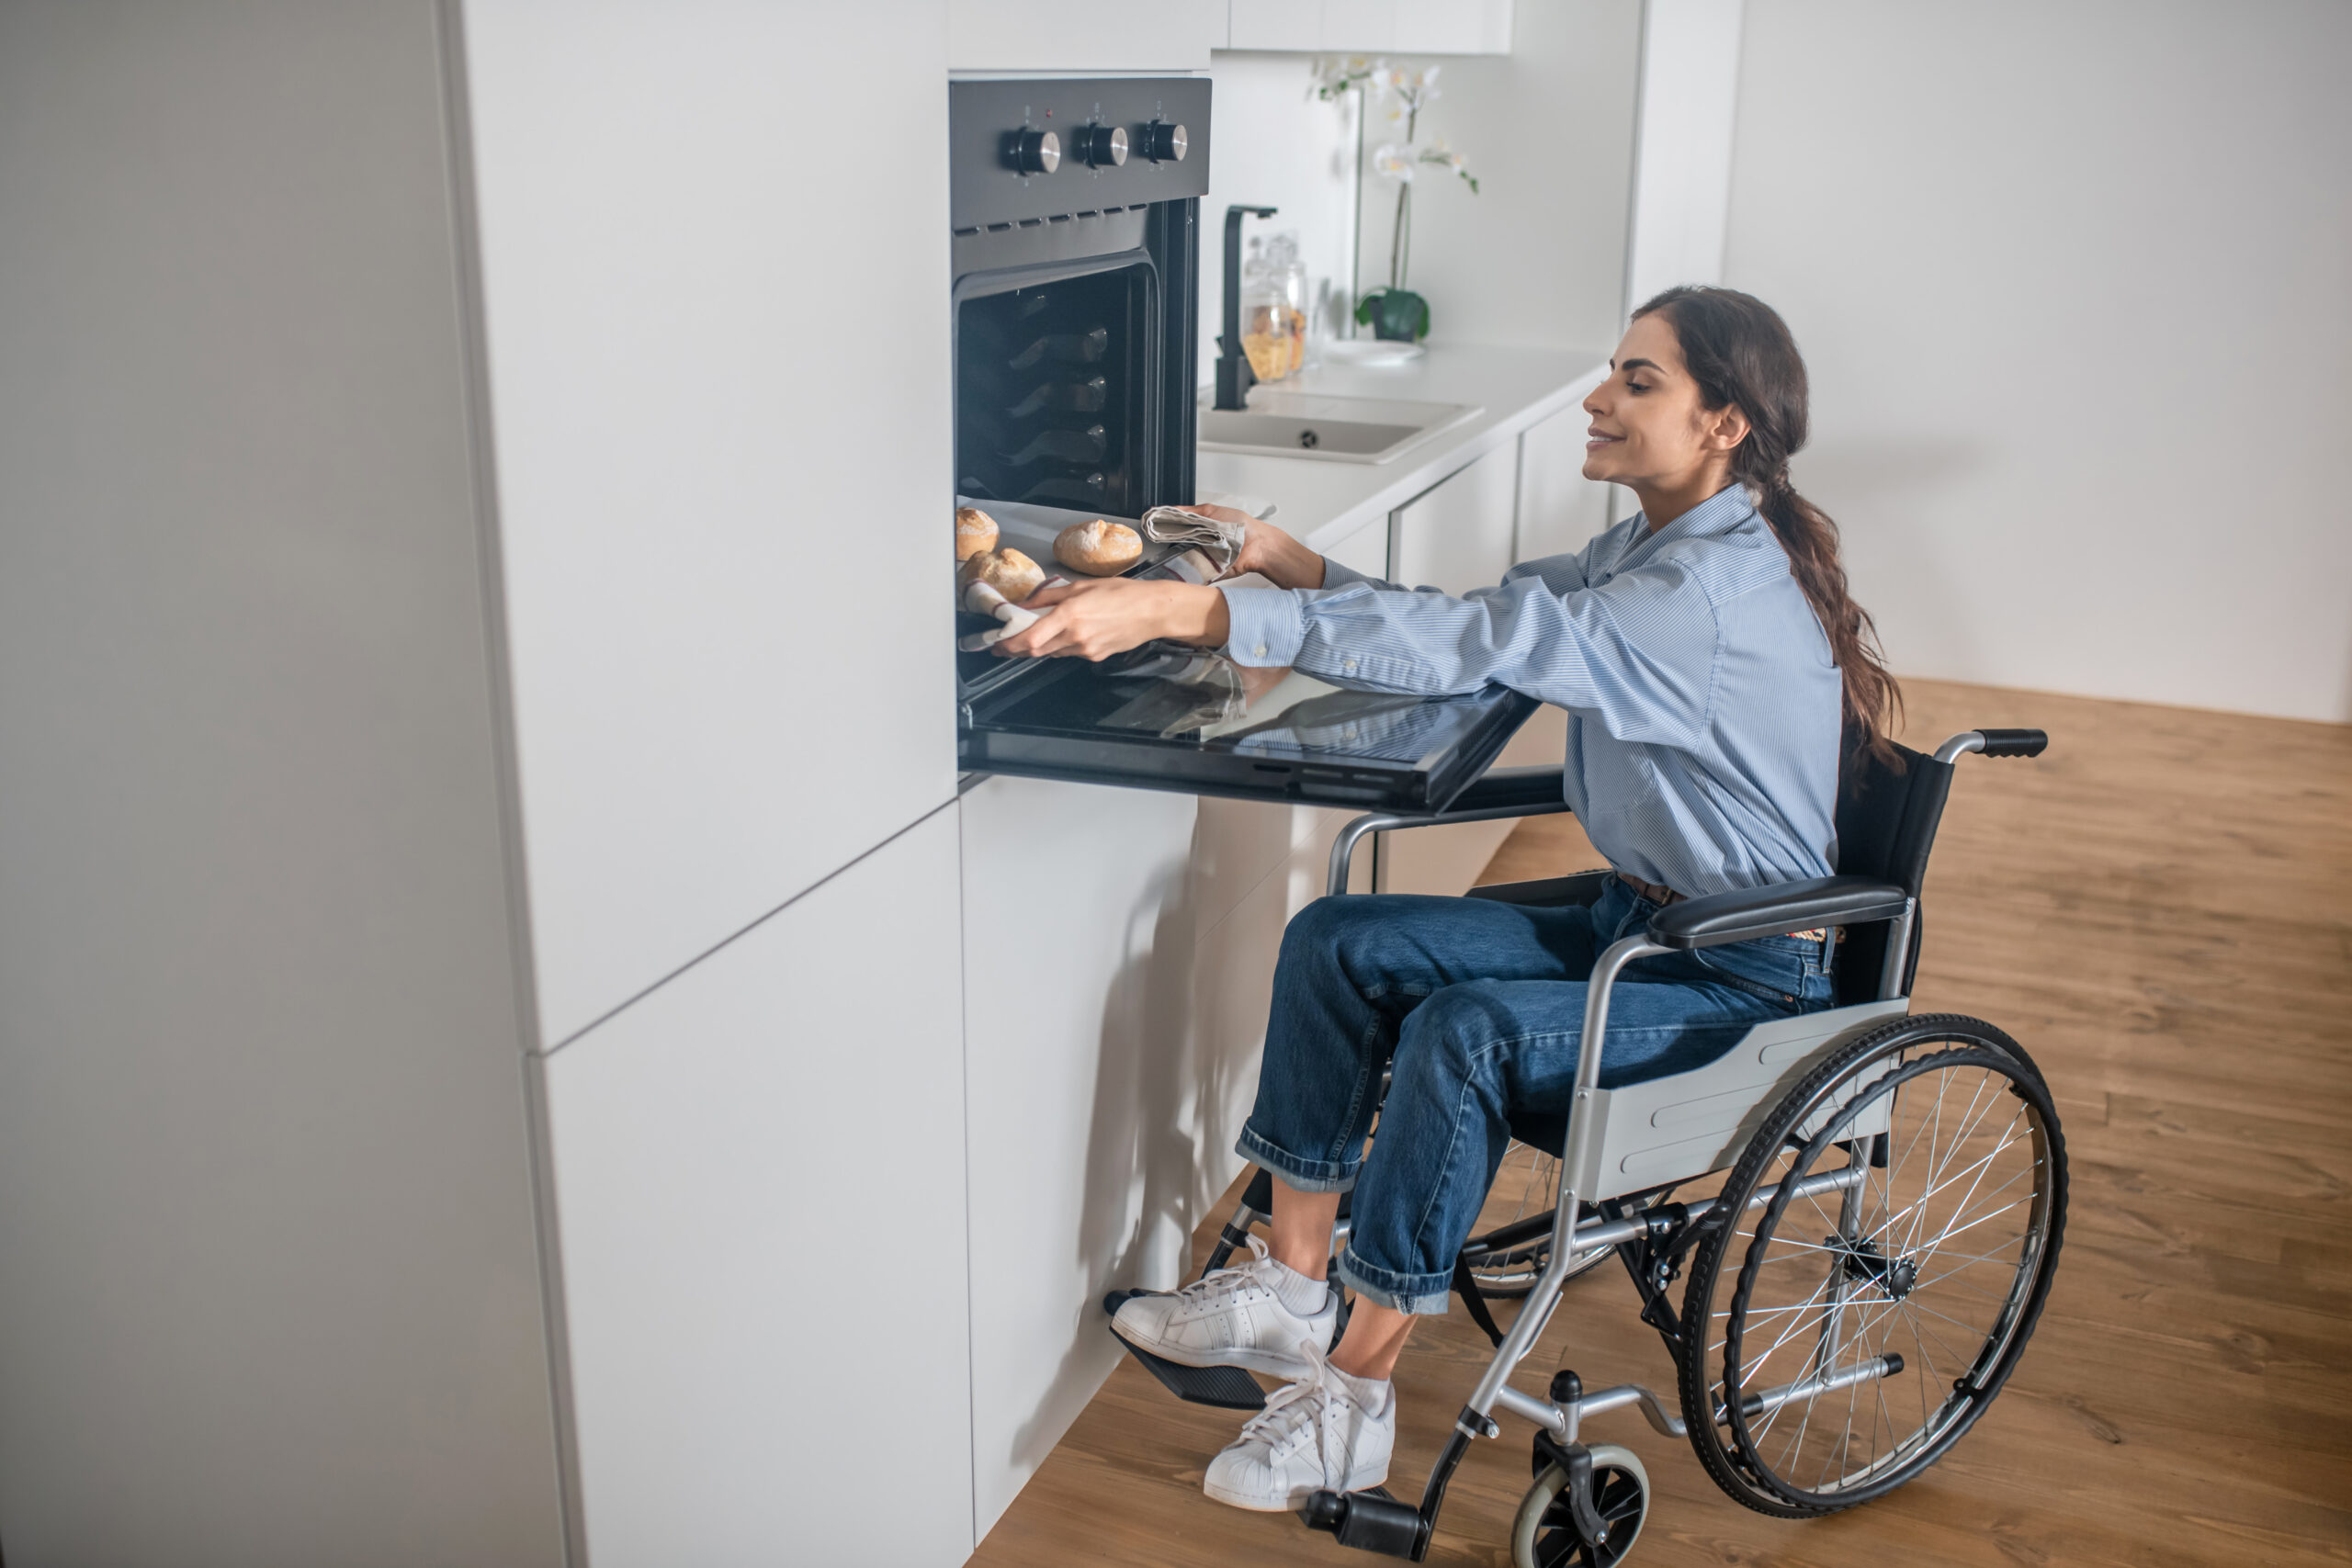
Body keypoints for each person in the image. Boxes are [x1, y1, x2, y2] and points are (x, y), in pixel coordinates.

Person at [993, 286, 1902, 1512]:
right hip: (1637, 924)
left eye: (1639, 380)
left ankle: (1355, 1403)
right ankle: (1293, 1291)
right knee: (1338, 940)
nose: (1599, 397)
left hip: (1738, 975)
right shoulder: (1666, 548)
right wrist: (1289, 567)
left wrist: (1183, 605)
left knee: (1459, 1032)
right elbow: (1478, 629)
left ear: (1726, 422)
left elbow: (1476, 648)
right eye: (1612, 371)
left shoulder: (1689, 602)